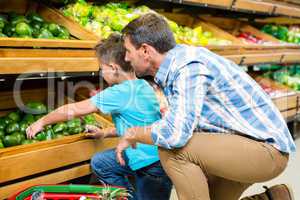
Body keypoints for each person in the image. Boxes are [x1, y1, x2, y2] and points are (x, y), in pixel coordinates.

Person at [115, 13, 297, 200]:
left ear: (145, 50)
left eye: (128, 51)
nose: (126, 58)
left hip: (266, 151)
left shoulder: (188, 68)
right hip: (246, 143)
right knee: (209, 194)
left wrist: (134, 132)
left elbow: (174, 135)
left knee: (172, 151)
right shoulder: (179, 64)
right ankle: (273, 197)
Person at [26, 33, 172, 200]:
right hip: (156, 156)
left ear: (113, 68)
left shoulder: (118, 92)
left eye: (101, 69)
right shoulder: (142, 85)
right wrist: (104, 133)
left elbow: (76, 109)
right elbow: (136, 125)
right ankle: (126, 196)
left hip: (151, 167)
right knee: (101, 162)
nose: (101, 73)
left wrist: (42, 121)